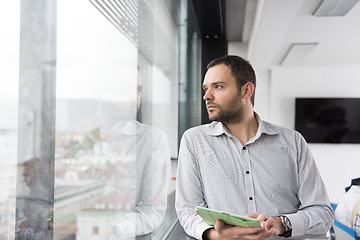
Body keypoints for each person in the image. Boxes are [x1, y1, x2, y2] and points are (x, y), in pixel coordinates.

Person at [175, 55, 334, 240]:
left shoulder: (293, 142)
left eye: (218, 86)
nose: (207, 96)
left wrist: (281, 224)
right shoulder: (194, 141)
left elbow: (322, 213)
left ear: (246, 91)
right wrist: (214, 235)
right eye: (206, 88)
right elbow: (187, 211)